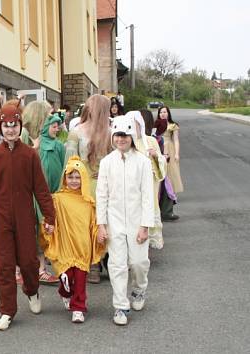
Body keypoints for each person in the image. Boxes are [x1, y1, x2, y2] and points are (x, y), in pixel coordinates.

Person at [0, 100, 56, 331]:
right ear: (0, 128)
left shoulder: (30, 155)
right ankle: (7, 311)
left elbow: (41, 189)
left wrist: (49, 217)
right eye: (6, 125)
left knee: (29, 263)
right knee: (3, 266)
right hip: (1, 220)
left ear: (20, 126)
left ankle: (32, 291)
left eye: (15, 125)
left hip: (25, 219)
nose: (11, 129)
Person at [96, 114, 154, 326]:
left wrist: (145, 225)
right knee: (117, 264)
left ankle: (139, 289)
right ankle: (120, 306)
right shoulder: (106, 163)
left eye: (125, 135)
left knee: (139, 262)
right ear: (113, 137)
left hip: (137, 220)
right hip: (114, 221)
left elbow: (148, 196)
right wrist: (101, 224)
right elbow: (101, 195)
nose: (121, 139)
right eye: (118, 135)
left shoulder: (143, 163)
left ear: (132, 137)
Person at [43, 156, 106, 323]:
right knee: (66, 275)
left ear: (83, 178)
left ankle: (78, 307)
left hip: (82, 247)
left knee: (80, 279)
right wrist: (48, 226)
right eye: (70, 177)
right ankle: (64, 292)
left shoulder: (88, 202)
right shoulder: (58, 199)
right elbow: (51, 218)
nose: (74, 181)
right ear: (65, 178)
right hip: (65, 246)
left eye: (78, 177)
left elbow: (94, 223)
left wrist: (99, 233)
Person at [65, 94, 112, 283]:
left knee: (95, 225)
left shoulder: (108, 132)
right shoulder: (79, 131)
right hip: (90, 185)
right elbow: (70, 162)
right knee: (91, 225)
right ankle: (92, 263)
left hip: (96, 185)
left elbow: (69, 162)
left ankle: (95, 263)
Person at [20, 100, 60, 285]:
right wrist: (34, 148)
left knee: (40, 231)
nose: (51, 117)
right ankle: (24, 270)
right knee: (29, 230)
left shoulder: (45, 136)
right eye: (48, 114)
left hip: (40, 191)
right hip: (26, 192)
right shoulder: (25, 133)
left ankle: (41, 269)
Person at [137, 110, 167, 249]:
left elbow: (161, 165)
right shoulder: (126, 139)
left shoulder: (150, 141)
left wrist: (156, 156)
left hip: (149, 186)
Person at [158, 106, 183, 221]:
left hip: (170, 149)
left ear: (168, 113)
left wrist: (177, 154)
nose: (163, 114)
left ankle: (168, 205)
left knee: (170, 176)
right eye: (161, 112)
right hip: (158, 148)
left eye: (165, 112)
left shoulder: (173, 125)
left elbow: (176, 140)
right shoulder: (156, 124)